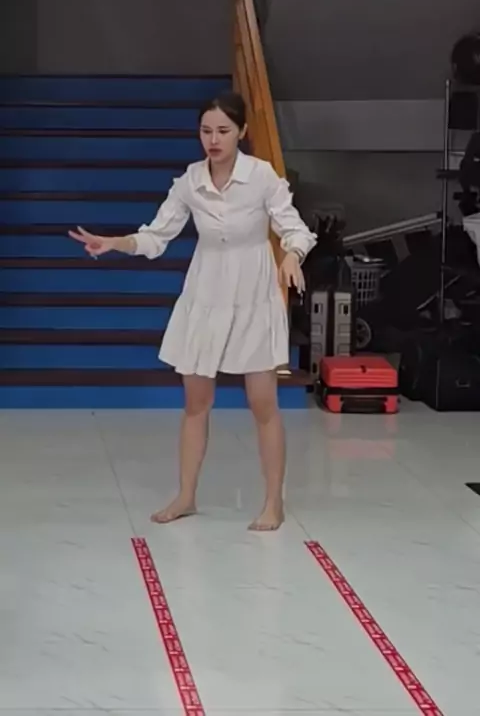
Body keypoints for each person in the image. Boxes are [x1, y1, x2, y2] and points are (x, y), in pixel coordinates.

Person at [69, 92, 316, 531]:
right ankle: (185, 496)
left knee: (263, 403)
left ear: (241, 132)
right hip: (205, 293)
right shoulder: (190, 181)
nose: (213, 140)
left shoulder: (261, 176)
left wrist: (292, 254)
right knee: (196, 402)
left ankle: (273, 503)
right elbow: (156, 236)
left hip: (253, 294)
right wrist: (115, 242)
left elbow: (294, 228)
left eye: (223, 131)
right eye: (206, 131)